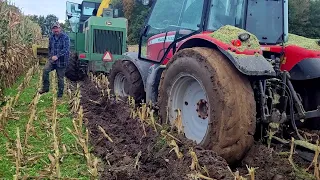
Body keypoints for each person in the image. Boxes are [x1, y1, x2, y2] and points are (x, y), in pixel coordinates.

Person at [38, 22, 70, 98]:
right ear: (52, 29)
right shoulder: (51, 37)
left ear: (60, 28)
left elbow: (66, 49)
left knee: (60, 78)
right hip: (52, 61)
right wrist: (50, 56)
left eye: (57, 28)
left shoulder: (65, 37)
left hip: (62, 61)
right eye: (54, 28)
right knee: (45, 70)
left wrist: (57, 56)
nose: (56, 30)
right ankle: (46, 88)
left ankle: (60, 95)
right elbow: (50, 48)